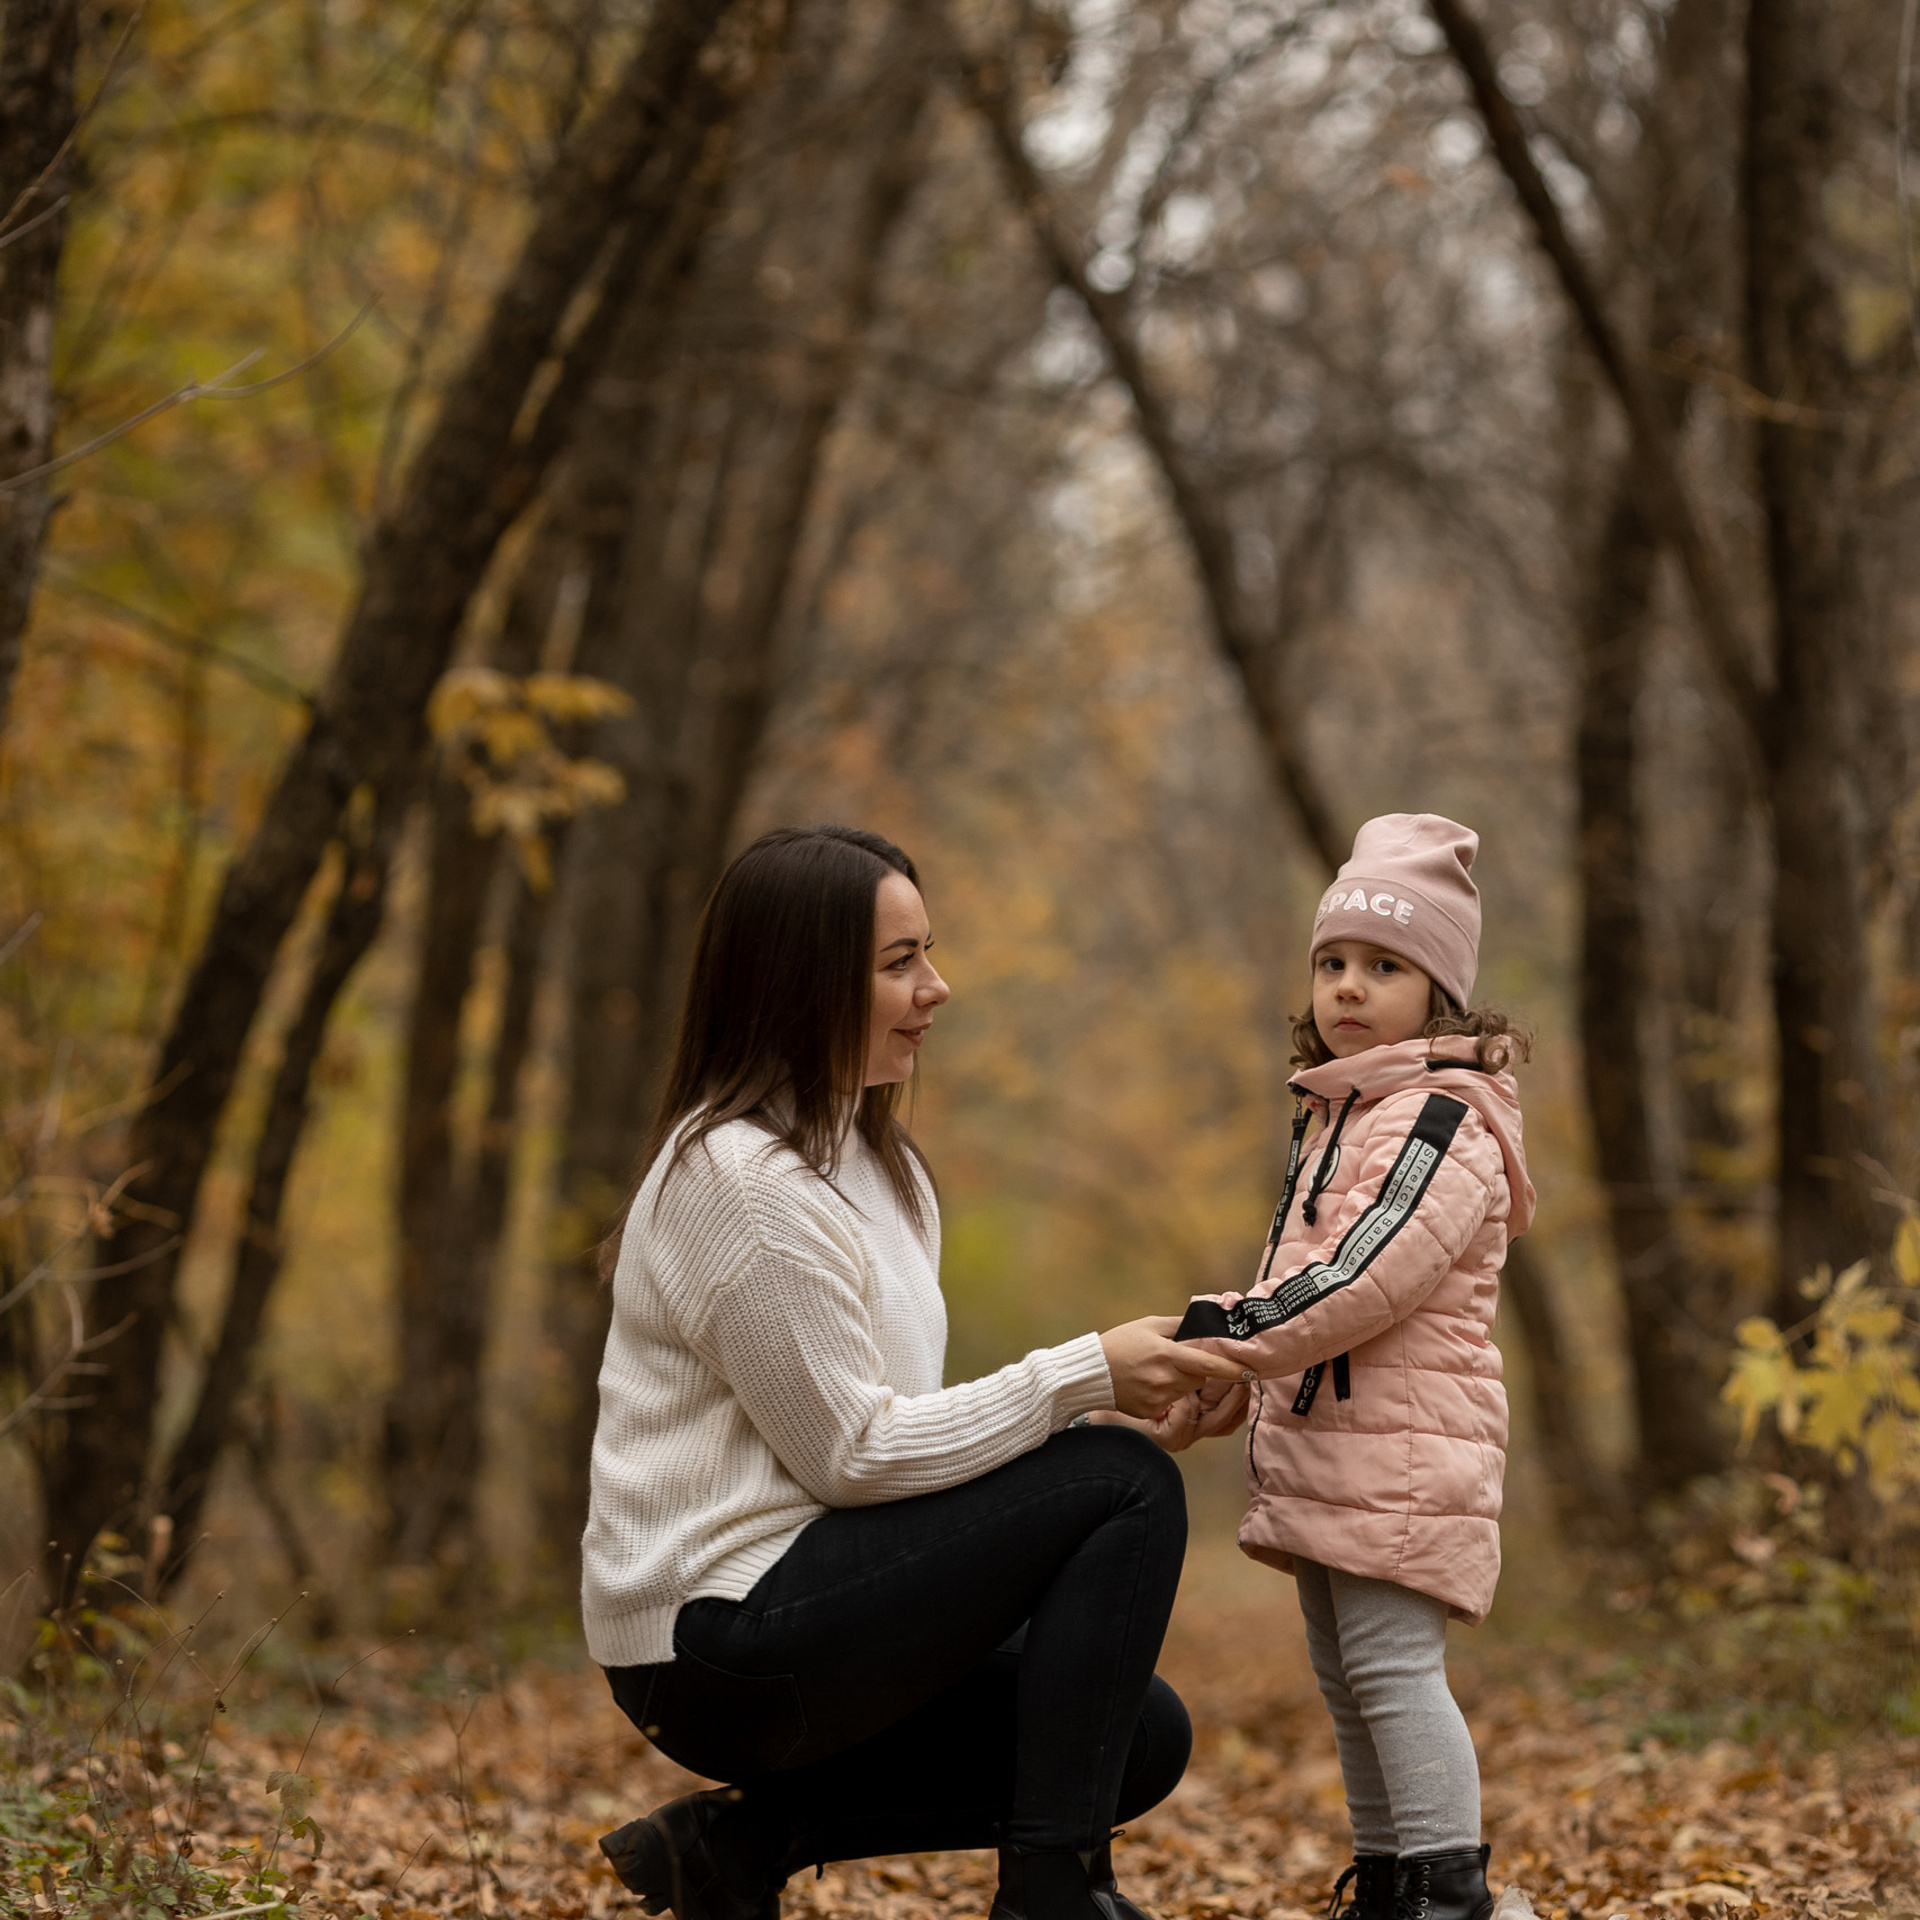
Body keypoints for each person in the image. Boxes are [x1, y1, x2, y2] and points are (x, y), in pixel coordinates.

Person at [582, 824, 1249, 1920]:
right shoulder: (740, 1178)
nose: (937, 988)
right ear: (801, 980)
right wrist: (1084, 1378)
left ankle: (749, 1843)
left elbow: (903, 1428)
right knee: (1119, 1483)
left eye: (927, 954)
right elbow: (854, 1454)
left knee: (1132, 1734)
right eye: (899, 963)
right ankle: (1053, 1897)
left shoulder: (879, 1163)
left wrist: (1127, 1388)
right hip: (711, 1638)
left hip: (808, 1596)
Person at [1176, 814, 1534, 1920]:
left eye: (1385, 966)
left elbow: (1359, 1280)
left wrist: (1214, 1333)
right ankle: (1389, 1884)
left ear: (1441, 991)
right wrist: (1238, 1375)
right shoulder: (1343, 1112)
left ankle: (1444, 1891)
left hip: (1405, 1450)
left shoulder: (1437, 1118)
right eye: (1333, 962)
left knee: (1392, 1672)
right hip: (1340, 1444)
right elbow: (1307, 1276)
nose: (1349, 987)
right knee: (1349, 1683)